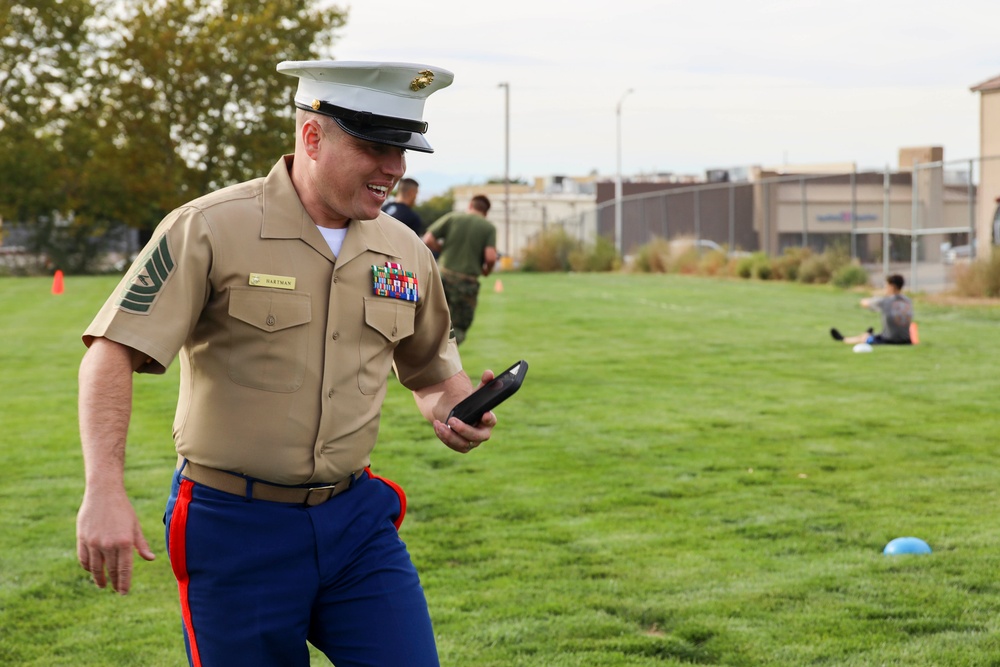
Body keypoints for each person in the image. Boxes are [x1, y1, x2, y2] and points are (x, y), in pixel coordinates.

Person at [75, 59, 501, 667]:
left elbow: (434, 377)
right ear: (311, 136)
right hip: (234, 530)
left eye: (403, 150)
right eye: (376, 147)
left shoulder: (405, 249)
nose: (396, 169)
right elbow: (110, 354)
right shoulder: (209, 228)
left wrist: (459, 412)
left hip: (358, 526)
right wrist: (104, 491)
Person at [421, 195, 497, 345]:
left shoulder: (453, 218)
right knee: (458, 328)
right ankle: (447, 363)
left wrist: (441, 249)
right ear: (486, 212)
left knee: (430, 320)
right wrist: (486, 271)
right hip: (465, 283)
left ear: (470, 206)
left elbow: (428, 239)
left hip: (442, 276)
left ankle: (421, 357)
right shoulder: (488, 227)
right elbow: (491, 257)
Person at [830, 273, 913, 345]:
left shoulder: (885, 301)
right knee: (870, 335)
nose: (885, 288)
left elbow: (864, 303)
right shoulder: (908, 301)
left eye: (886, 286)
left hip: (888, 340)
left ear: (891, 287)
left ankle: (843, 339)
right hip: (907, 340)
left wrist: (876, 295)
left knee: (864, 338)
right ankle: (867, 334)